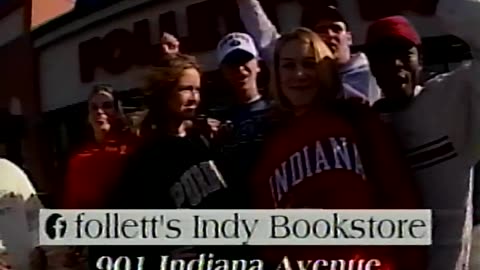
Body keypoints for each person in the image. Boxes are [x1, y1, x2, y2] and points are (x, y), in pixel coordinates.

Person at [249, 27, 425, 270]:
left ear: (324, 70)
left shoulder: (357, 121)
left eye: (309, 64)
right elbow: (270, 243)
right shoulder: (269, 149)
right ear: (276, 75)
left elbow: (401, 199)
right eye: (288, 66)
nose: (299, 74)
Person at [363, 0, 480, 267]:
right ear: (370, 64)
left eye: (404, 53)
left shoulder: (452, 103)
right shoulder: (365, 122)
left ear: (421, 58)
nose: (395, 64)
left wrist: (441, 4)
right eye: (382, 55)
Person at [90, 54, 232, 268]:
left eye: (197, 90)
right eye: (185, 89)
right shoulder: (147, 159)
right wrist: (160, 260)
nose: (194, 97)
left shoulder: (206, 141)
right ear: (165, 93)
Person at [235, 0, 381, 104]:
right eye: (321, 30)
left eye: (336, 29)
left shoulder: (375, 73)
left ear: (349, 37)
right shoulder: (306, 78)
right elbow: (266, 39)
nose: (330, 35)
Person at [214, 32, 272, 206]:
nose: (240, 70)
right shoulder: (218, 121)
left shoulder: (280, 110)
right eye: (232, 64)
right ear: (223, 72)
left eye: (245, 61)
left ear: (258, 64)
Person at [61, 84, 139, 209]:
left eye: (107, 106)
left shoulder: (134, 148)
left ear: (118, 111)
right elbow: (71, 204)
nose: (99, 111)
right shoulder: (78, 159)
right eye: (94, 107)